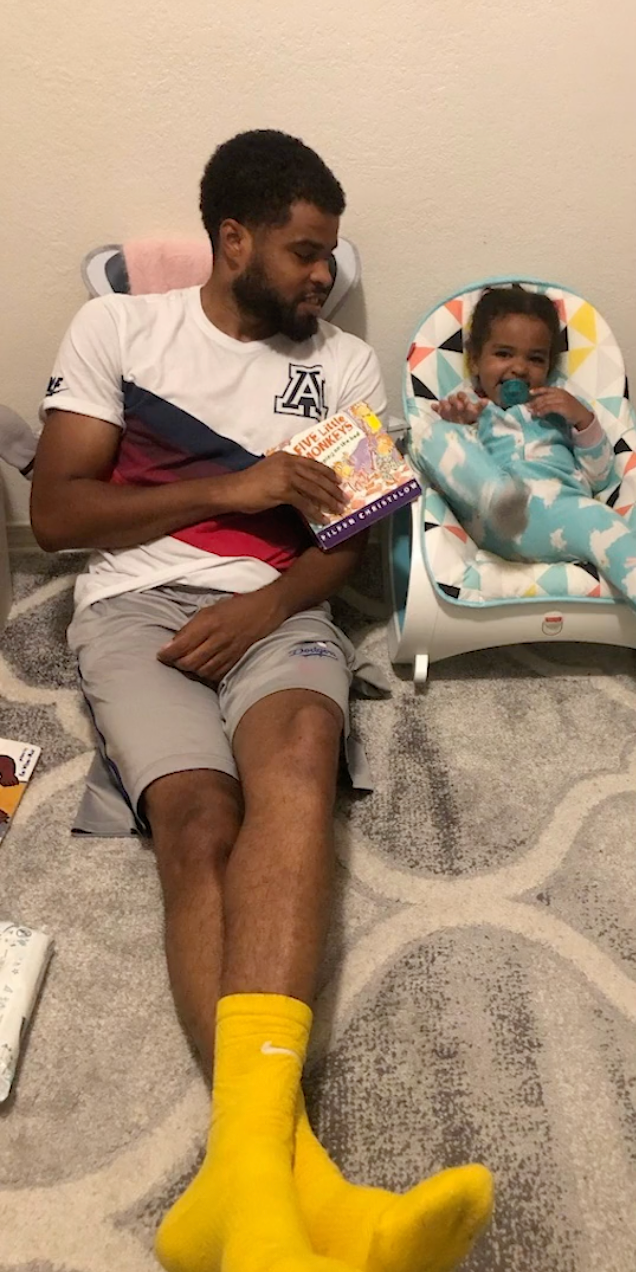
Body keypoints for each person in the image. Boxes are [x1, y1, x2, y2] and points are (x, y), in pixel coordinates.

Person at [32, 130, 492, 1272]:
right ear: (230, 239)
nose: (319, 278)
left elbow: (354, 530)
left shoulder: (342, 365)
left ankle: (244, 1197)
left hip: (278, 609)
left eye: (328, 257)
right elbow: (55, 514)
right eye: (300, 253)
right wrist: (232, 485)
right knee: (196, 830)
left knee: (292, 777)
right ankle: (301, 1196)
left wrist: (271, 604)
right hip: (138, 611)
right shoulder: (121, 332)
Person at [428, 286, 636, 602]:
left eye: (535, 358)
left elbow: (602, 478)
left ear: (549, 365)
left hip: (565, 514)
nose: (520, 368)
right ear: (475, 360)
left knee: (604, 520)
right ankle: (496, 493)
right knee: (429, 433)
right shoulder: (469, 405)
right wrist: (457, 423)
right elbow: (450, 470)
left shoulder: (560, 403)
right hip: (493, 522)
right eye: (503, 354)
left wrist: (583, 419)